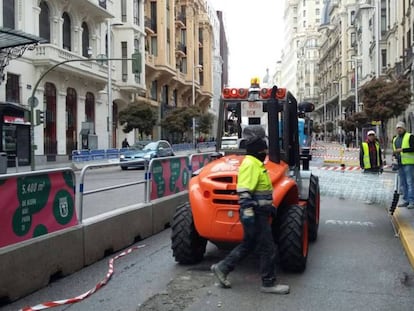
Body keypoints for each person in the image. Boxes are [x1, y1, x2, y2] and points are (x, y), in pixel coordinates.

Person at [210, 127, 290, 294]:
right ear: (257, 150)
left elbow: (261, 192)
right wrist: (248, 211)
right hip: (255, 214)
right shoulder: (251, 164)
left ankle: (222, 268)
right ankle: (268, 283)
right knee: (267, 247)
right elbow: (244, 190)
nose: (265, 152)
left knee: (249, 244)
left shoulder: (256, 164)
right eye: (263, 149)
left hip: (258, 212)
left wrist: (270, 206)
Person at [393, 121, 414, 209]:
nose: (399, 130)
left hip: (409, 163)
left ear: (404, 128)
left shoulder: (410, 136)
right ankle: (406, 200)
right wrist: (394, 157)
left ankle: (412, 201)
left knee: (410, 183)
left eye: (400, 128)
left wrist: (403, 150)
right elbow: (395, 151)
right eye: (397, 128)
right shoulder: (395, 139)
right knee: (403, 183)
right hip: (400, 164)